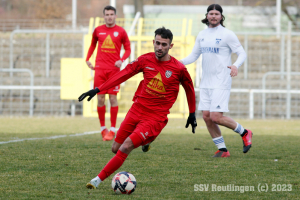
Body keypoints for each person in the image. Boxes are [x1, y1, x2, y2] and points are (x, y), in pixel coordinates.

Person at [78, 27, 197, 189]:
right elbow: (124, 74)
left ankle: (96, 180)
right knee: (116, 148)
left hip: (155, 117)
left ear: (171, 46)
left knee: (126, 146)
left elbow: (189, 89)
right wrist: (98, 88)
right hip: (137, 110)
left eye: (164, 44)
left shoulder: (178, 68)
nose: (160, 47)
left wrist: (192, 113)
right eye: (157, 43)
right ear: (153, 42)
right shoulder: (144, 60)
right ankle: (147, 140)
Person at [180, 4, 252, 157]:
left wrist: (235, 65)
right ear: (207, 16)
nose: (213, 16)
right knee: (206, 116)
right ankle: (223, 150)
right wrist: (176, 63)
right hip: (206, 81)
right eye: (211, 13)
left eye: (216, 14)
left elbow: (242, 53)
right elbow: (193, 56)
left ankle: (245, 133)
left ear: (221, 16)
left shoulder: (227, 34)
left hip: (221, 80)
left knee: (216, 117)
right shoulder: (202, 35)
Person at [85, 5, 131, 141]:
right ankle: (102, 128)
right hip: (99, 69)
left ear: (115, 16)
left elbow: (128, 49)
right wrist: (87, 59)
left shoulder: (121, 31)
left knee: (112, 98)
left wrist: (121, 60)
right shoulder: (98, 30)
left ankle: (112, 129)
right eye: (107, 14)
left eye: (112, 14)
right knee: (100, 98)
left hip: (114, 70)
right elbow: (92, 45)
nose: (109, 17)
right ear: (104, 16)